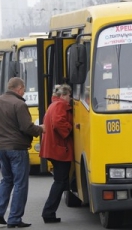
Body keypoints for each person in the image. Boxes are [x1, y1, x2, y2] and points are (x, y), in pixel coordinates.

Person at [0, 77, 45, 228]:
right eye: (23, 89)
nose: (24, 92)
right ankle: (14, 218)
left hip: (2, 148)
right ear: (19, 89)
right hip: (17, 149)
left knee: (7, 180)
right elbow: (27, 127)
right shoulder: (19, 104)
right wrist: (41, 129)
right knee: (20, 183)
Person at [39, 84, 73, 224]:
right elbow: (59, 123)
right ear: (64, 95)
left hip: (53, 148)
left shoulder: (53, 105)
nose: (71, 98)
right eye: (70, 95)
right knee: (60, 182)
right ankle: (48, 212)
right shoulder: (60, 106)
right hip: (59, 149)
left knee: (60, 181)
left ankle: (49, 212)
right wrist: (70, 129)